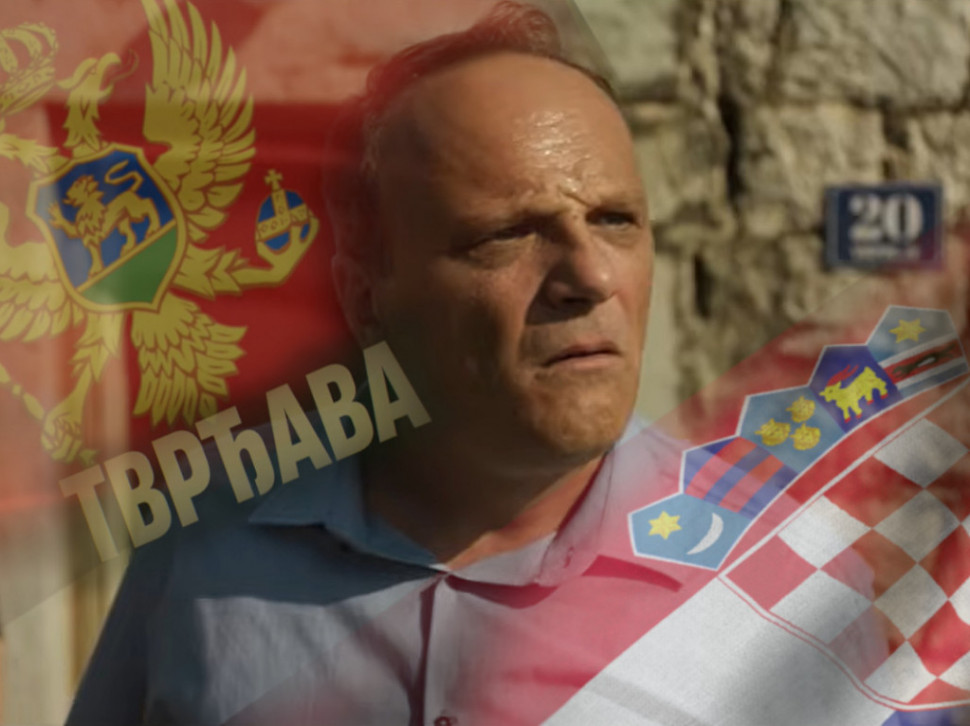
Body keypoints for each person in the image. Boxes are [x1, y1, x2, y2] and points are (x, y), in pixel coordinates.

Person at [65, 3, 970, 725]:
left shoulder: (793, 586)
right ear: (365, 292)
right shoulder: (203, 555)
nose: (590, 277)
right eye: (507, 234)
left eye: (615, 220)